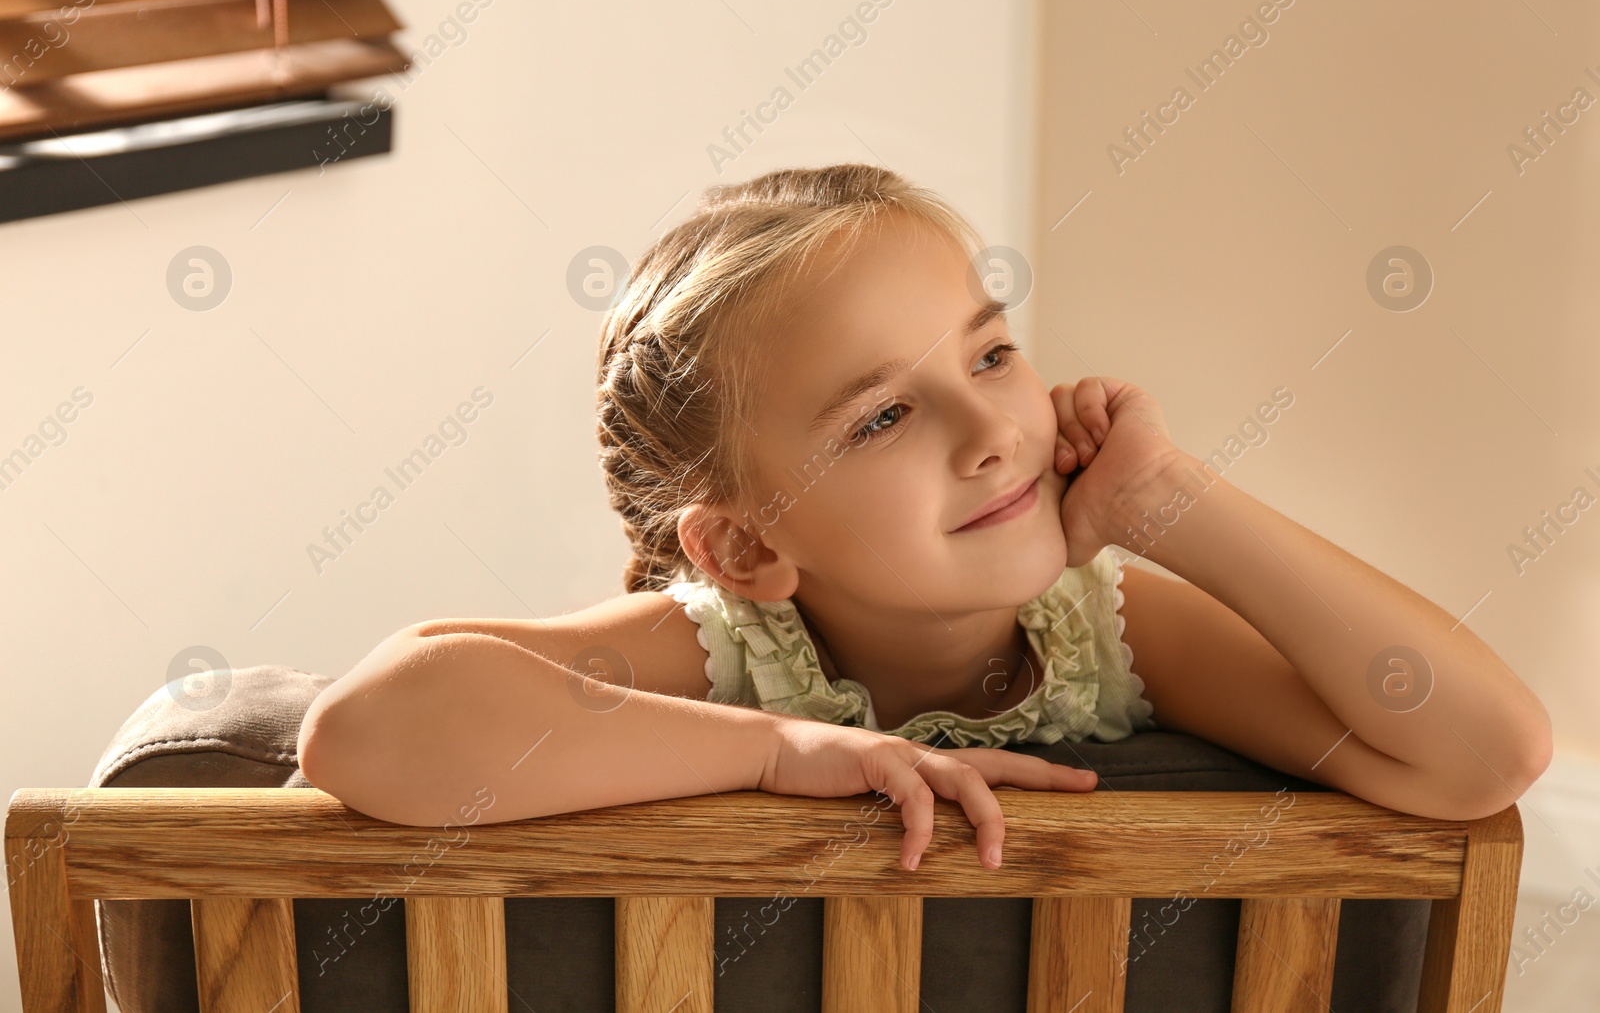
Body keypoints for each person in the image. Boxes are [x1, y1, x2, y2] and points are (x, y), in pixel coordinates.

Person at [297, 164, 1552, 873]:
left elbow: (1484, 751)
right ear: (744, 546)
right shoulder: (734, 647)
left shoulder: (1103, 630)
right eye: (882, 418)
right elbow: (366, 729)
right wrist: (781, 753)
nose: (993, 429)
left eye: (992, 353)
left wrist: (1171, 505)